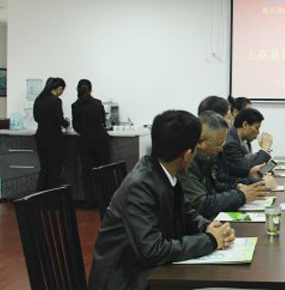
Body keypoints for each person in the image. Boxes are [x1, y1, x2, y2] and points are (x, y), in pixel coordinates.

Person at [88, 110, 235, 290]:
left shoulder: (166, 172)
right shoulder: (140, 185)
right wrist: (210, 240)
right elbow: (152, 251)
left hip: (150, 272)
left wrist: (208, 227)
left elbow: (188, 213)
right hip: (126, 280)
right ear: (188, 154)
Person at [178, 111, 272, 219]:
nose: (221, 149)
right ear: (200, 142)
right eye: (218, 144)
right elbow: (201, 203)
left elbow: (215, 186)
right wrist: (241, 196)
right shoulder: (187, 162)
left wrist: (236, 187)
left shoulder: (208, 156)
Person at [72, 79, 110, 207]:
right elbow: (103, 121)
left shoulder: (75, 105)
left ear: (77, 89)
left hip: (85, 142)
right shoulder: (98, 103)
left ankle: (90, 202)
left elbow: (76, 126)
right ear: (91, 89)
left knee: (87, 174)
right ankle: (104, 201)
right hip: (101, 141)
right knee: (103, 172)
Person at [33, 77, 69, 191]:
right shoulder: (56, 101)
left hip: (41, 137)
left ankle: (40, 195)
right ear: (59, 88)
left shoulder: (38, 99)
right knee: (55, 169)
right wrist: (66, 123)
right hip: (54, 139)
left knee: (44, 168)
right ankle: (54, 196)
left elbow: (36, 118)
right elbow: (59, 120)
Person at [221, 108, 272, 179]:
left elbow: (249, 161)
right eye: (256, 128)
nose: (258, 132)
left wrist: (266, 168)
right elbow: (248, 169)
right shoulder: (230, 143)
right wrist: (264, 148)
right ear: (245, 125)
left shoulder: (244, 140)